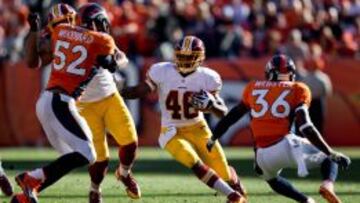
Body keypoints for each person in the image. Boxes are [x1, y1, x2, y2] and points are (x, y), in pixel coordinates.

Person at [23, 3, 141, 203]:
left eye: (70, 21)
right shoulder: (59, 36)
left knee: (129, 144)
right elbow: (33, 61)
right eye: (62, 23)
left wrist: (112, 62)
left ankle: (124, 173)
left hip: (108, 95)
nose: (67, 26)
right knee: (94, 157)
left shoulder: (92, 36)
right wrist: (33, 32)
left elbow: (121, 58)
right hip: (81, 104)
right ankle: (94, 189)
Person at [207, 54, 351, 203]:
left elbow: (232, 117)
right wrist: (330, 152)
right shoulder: (298, 88)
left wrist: (213, 137)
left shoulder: (253, 87)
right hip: (288, 144)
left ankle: (305, 200)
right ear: (292, 73)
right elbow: (306, 126)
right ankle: (327, 184)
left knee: (271, 179)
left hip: (264, 156)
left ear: (269, 73)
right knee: (329, 157)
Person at [121, 35, 247, 203]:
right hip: (171, 130)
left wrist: (211, 105)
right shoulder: (162, 71)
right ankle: (232, 196)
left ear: (200, 58)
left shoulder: (208, 77)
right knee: (192, 161)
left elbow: (223, 112)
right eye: (182, 56)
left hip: (198, 128)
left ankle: (234, 183)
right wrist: (120, 91)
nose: (185, 60)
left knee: (224, 173)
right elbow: (141, 90)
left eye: (190, 57)